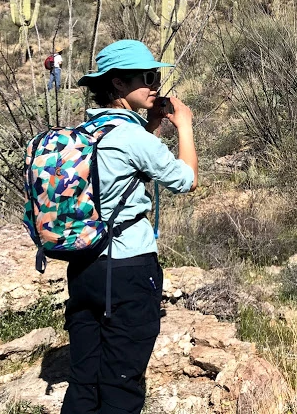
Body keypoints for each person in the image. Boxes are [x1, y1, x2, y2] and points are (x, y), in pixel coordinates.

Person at [62, 39, 197, 414]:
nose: (155, 84)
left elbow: (118, 172)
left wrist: (150, 126)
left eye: (156, 76)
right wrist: (183, 126)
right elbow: (186, 180)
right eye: (147, 77)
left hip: (85, 266)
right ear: (118, 85)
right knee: (122, 384)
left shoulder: (85, 133)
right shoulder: (133, 137)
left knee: (85, 381)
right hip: (128, 270)